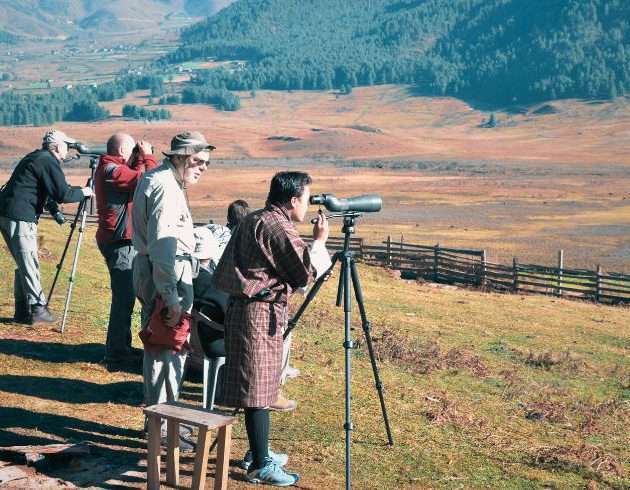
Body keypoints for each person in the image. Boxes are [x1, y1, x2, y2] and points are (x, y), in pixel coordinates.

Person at [212, 171, 330, 486]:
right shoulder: (278, 227)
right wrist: (319, 243)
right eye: (307, 198)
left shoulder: (256, 218)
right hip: (257, 314)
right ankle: (260, 465)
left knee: (259, 385)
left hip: (249, 310)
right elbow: (304, 276)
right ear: (293, 200)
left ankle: (258, 451)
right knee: (257, 390)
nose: (308, 205)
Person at [131, 131, 214, 448]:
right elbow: (164, 244)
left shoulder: (163, 180)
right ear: (179, 157)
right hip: (167, 274)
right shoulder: (165, 187)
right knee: (166, 352)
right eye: (198, 160)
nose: (203, 167)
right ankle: (162, 430)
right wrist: (171, 297)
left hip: (163, 271)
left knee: (165, 351)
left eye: (206, 162)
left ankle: (163, 422)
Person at [0, 129, 92, 324]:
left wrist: (54, 211)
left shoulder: (37, 157)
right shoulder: (48, 161)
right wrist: (84, 191)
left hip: (9, 213)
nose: (68, 149)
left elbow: (43, 189)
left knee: (24, 263)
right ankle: (38, 308)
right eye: (67, 145)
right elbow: (63, 194)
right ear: (58, 146)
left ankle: (23, 310)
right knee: (29, 262)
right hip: (19, 215)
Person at [95, 133, 157, 365]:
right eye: (132, 151)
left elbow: (135, 178)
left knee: (126, 296)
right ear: (123, 151)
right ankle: (116, 352)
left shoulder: (113, 169)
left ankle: (121, 346)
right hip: (119, 243)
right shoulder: (111, 171)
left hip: (119, 240)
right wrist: (148, 156)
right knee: (124, 298)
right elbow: (146, 181)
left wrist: (140, 158)